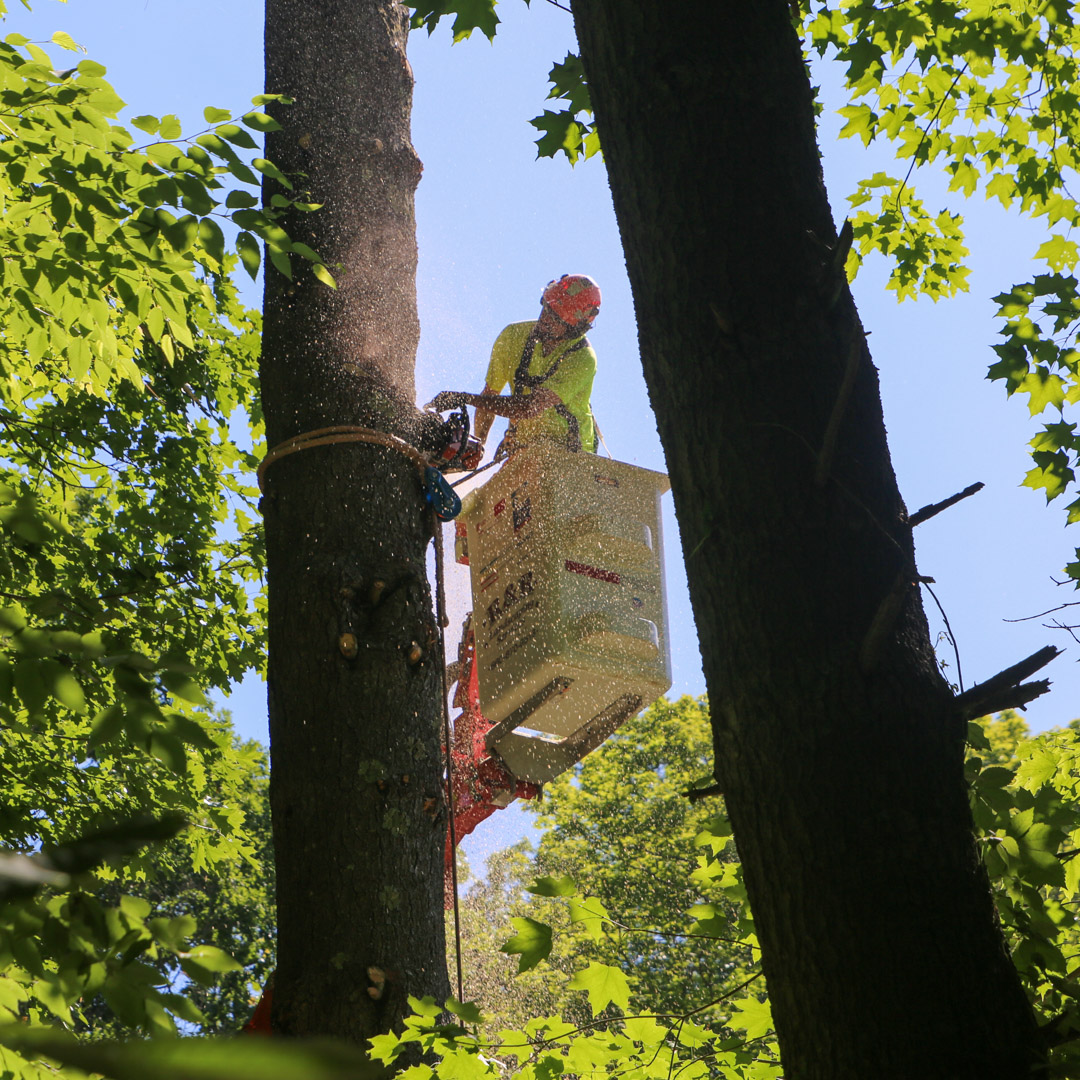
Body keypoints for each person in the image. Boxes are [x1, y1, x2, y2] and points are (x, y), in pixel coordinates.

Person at [474, 274, 601, 457]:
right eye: (547, 309)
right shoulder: (513, 336)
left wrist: (466, 399)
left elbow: (530, 406)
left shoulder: (583, 358)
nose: (545, 320)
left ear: (576, 328)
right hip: (524, 448)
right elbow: (490, 395)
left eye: (556, 318)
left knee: (533, 465)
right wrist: (477, 445)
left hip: (573, 454)